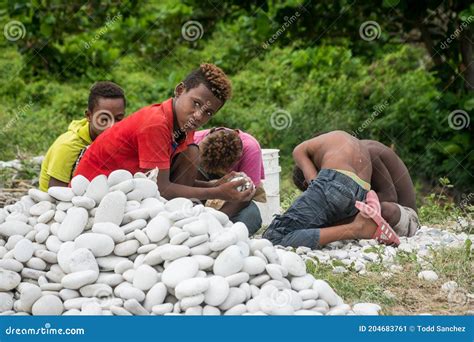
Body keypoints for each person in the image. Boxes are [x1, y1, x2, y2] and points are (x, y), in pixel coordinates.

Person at [74, 63, 254, 204]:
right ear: (179, 90)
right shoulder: (156, 124)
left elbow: (168, 182)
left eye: (208, 113)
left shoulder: (185, 125)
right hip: (93, 193)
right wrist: (216, 193)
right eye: (196, 103)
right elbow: (162, 188)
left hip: (131, 186)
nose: (199, 115)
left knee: (191, 152)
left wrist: (216, 184)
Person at [263, 130, 399, 249]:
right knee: (317, 225)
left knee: (275, 235)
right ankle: (360, 224)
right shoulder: (342, 140)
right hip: (361, 193)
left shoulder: (306, 149)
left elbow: (298, 151)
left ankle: (357, 228)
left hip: (334, 181)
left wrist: (313, 186)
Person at [39, 81, 126, 191]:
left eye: (118, 119)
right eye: (104, 119)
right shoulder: (68, 147)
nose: (112, 126)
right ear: (89, 116)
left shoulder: (119, 140)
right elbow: (56, 194)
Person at [194, 127, 265, 235]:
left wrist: (215, 221)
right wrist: (214, 187)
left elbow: (245, 196)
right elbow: (185, 185)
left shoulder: (250, 148)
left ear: (238, 158)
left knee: (250, 217)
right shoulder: (194, 141)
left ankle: (225, 237)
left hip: (233, 200)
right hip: (198, 195)